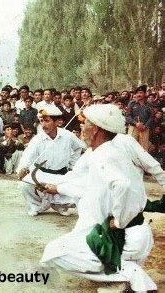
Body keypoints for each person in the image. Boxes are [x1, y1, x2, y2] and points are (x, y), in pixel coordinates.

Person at [40, 104, 157, 291]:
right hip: (135, 234)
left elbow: (121, 185)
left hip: (124, 237)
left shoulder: (104, 154)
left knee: (53, 254)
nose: (81, 128)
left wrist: (119, 220)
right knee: (69, 244)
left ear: (96, 129)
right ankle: (121, 269)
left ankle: (128, 273)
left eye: (85, 124)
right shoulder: (107, 150)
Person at [16, 104, 84, 216]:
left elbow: (78, 148)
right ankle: (36, 206)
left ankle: (60, 205)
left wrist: (72, 165)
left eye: (47, 121)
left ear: (57, 122)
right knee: (24, 184)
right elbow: (28, 155)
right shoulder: (38, 139)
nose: (43, 125)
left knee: (78, 187)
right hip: (41, 174)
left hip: (62, 175)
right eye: (41, 121)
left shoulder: (68, 136)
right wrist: (22, 169)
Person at [126, 85, 153, 150]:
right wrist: (136, 123)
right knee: (131, 147)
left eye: (140, 93)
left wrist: (145, 126)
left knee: (143, 149)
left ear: (145, 94)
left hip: (145, 129)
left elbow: (152, 117)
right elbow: (127, 116)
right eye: (137, 93)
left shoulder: (149, 104)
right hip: (133, 128)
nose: (138, 94)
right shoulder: (131, 103)